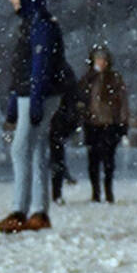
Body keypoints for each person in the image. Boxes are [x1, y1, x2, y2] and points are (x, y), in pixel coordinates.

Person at [0, 0, 68, 234]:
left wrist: (34, 99)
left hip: (39, 95)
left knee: (21, 149)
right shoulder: (32, 24)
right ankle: (38, 211)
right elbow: (24, 67)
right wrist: (16, 97)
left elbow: (40, 66)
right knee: (34, 151)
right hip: (32, 94)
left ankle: (20, 211)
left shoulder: (41, 26)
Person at [78, 44, 129, 203]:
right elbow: (81, 100)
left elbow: (123, 102)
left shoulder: (114, 79)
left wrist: (122, 121)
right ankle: (96, 192)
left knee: (109, 160)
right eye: (98, 59)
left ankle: (108, 191)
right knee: (93, 160)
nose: (101, 62)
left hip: (109, 123)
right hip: (92, 124)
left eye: (103, 59)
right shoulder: (87, 79)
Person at [48, 62, 79, 205]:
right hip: (57, 121)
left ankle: (55, 192)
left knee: (54, 157)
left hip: (56, 121)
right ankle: (56, 192)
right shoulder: (64, 71)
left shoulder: (62, 72)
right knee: (56, 157)